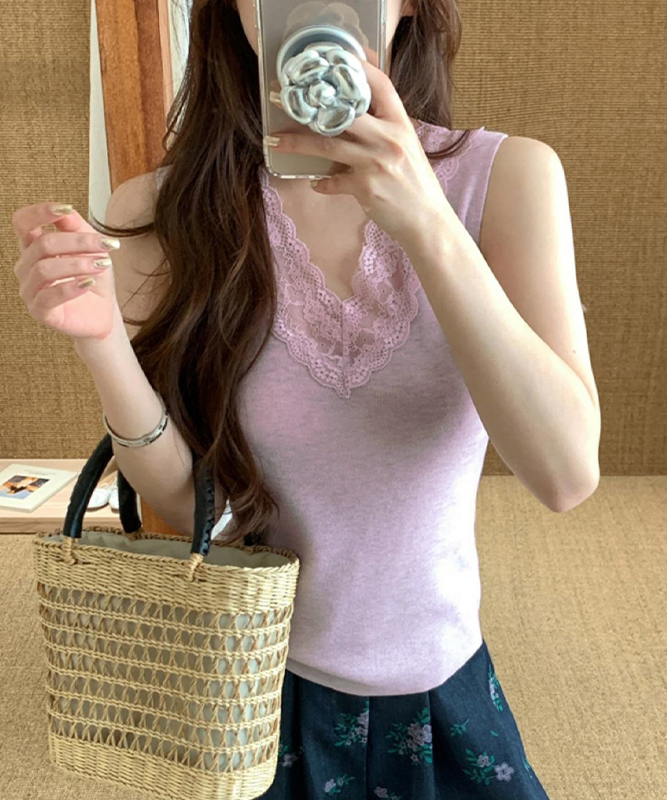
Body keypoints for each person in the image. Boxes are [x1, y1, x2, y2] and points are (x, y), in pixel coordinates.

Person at [13, 0, 601, 796]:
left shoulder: (508, 179)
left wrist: (426, 220)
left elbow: (565, 476)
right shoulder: (159, 211)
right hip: (251, 690)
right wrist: (102, 342)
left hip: (441, 687)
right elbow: (195, 509)